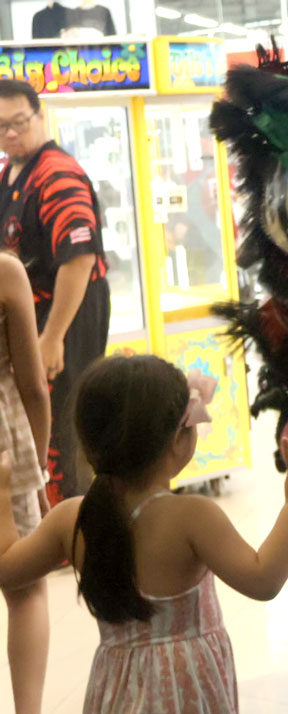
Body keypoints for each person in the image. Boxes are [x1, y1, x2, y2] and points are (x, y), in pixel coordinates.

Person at [0, 354, 288, 713]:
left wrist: (2, 497)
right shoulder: (192, 518)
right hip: (186, 693)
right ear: (177, 438)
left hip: (115, 691)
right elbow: (264, 579)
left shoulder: (71, 518)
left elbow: (6, 568)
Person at [0, 79, 111, 505]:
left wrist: (53, 337)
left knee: (66, 421)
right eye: (2, 126)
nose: (11, 133)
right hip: (30, 315)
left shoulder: (56, 173)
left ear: (40, 116)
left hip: (66, 313)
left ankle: (72, 523)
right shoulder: (12, 171)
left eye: (20, 122)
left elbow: (79, 258)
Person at [0, 252, 51, 714]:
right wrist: (40, 470)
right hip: (6, 444)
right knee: (26, 587)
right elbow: (32, 383)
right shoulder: (5, 271)